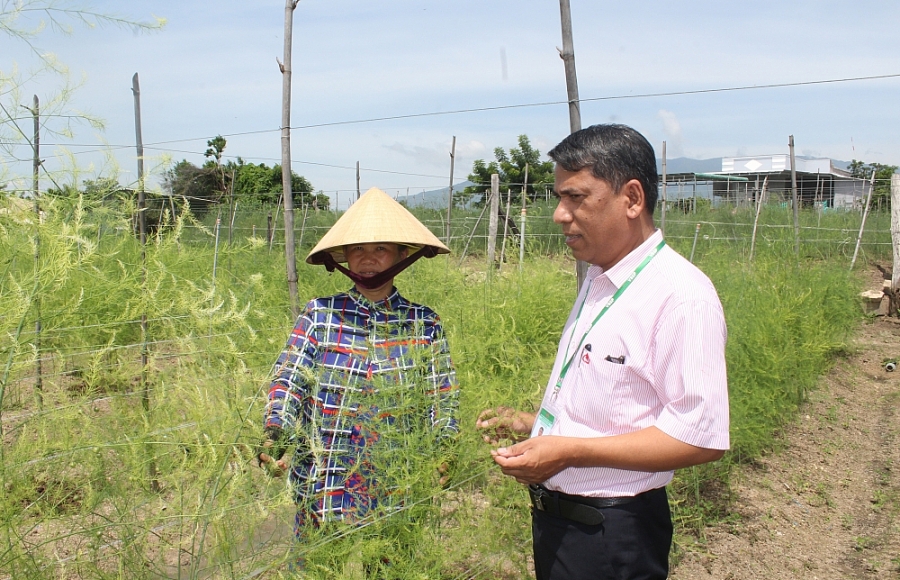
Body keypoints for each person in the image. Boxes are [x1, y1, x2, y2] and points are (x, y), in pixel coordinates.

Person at [476, 124, 730, 580]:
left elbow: (699, 437)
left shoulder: (681, 296)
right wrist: (535, 427)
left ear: (632, 199)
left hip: (612, 534)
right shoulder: (599, 276)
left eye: (576, 198)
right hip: (561, 523)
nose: (559, 214)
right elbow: (618, 407)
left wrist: (569, 451)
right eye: (559, 197)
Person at [259, 187, 459, 554]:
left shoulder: (422, 321)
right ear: (344, 258)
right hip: (326, 473)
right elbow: (290, 378)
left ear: (403, 255)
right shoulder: (319, 314)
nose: (367, 259)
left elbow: (441, 393)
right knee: (319, 565)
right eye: (358, 250)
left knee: (390, 563)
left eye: (380, 249)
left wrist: (444, 447)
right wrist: (277, 430)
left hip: (397, 473)